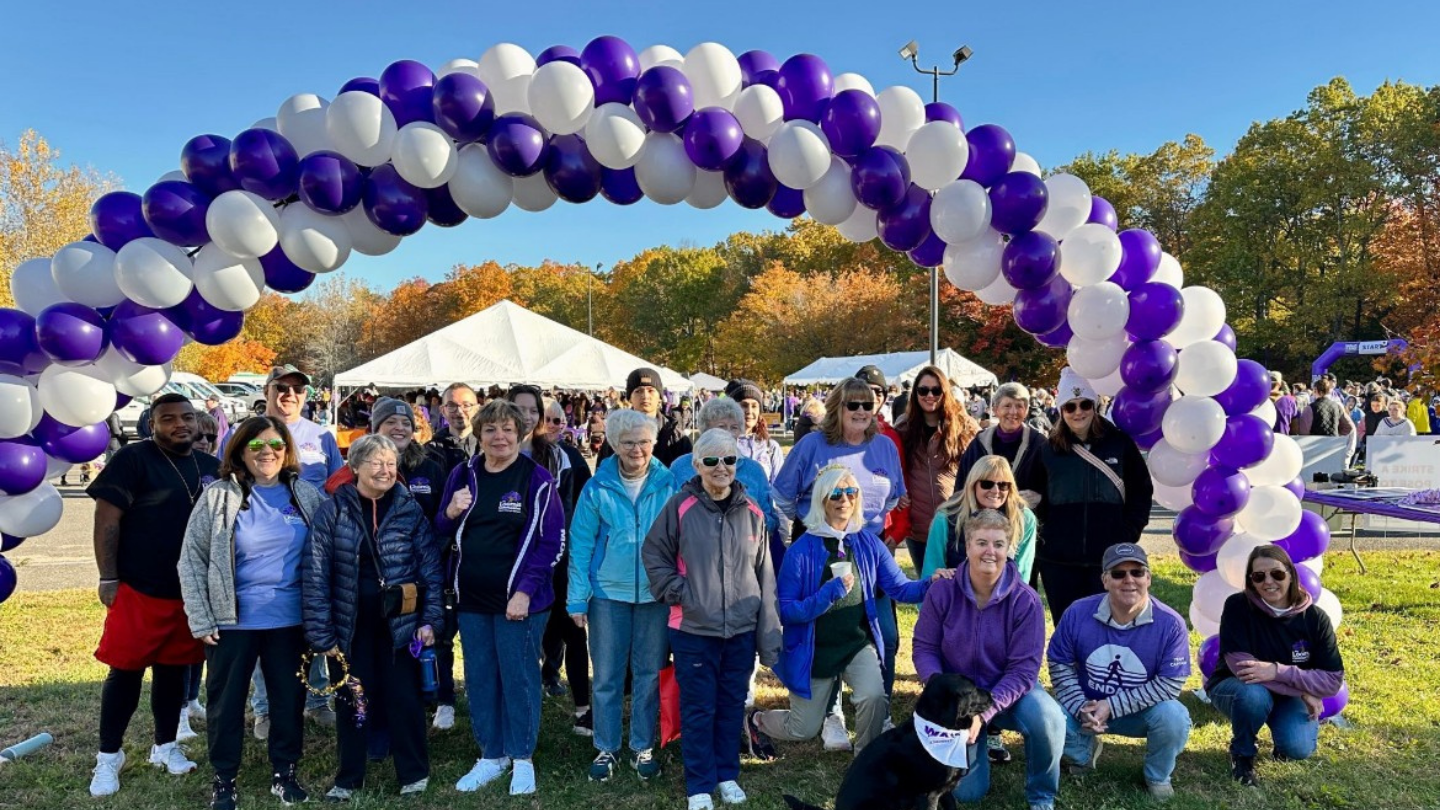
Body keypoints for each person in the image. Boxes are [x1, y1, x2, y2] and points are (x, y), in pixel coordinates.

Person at [179, 416, 324, 810]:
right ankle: (224, 779)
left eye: (276, 445)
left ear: (287, 450)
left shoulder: (306, 495)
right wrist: (201, 616)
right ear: (241, 450)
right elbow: (191, 559)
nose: (268, 453)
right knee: (226, 704)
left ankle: (285, 773)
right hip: (231, 622)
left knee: (288, 701)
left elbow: (328, 555)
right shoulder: (218, 497)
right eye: (257, 446)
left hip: (291, 621)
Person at [748, 464, 936, 757]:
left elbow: (901, 588)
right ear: (822, 499)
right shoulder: (801, 550)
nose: (845, 500)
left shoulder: (867, 543)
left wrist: (931, 583)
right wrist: (827, 595)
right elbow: (786, 611)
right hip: (814, 651)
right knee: (803, 729)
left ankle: (866, 757)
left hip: (855, 643)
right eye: (836, 493)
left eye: (851, 492)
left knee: (874, 696)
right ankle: (755, 720)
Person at [86, 393, 220, 797]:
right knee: (125, 673)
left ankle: (165, 746)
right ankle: (109, 757)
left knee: (173, 672)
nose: (180, 424)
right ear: (151, 424)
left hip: (189, 593)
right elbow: (106, 519)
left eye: (186, 417)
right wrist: (108, 577)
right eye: (168, 419)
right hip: (138, 587)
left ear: (198, 423)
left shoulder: (212, 467)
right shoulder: (132, 460)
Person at [643, 428, 781, 810]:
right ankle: (700, 783)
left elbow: (765, 577)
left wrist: (768, 636)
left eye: (730, 460)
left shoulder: (753, 512)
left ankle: (727, 774)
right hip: (693, 629)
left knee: (731, 703)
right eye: (711, 460)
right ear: (697, 465)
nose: (721, 468)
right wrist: (681, 593)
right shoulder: (679, 506)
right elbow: (654, 555)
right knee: (699, 706)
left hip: (740, 630)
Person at [304, 434, 444, 801]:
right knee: (353, 700)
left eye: (391, 464)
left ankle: (413, 772)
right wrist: (322, 634)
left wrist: (430, 619)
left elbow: (430, 567)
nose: (385, 470)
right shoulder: (333, 509)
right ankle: (349, 777)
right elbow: (316, 573)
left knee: (405, 698)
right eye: (376, 462)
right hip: (350, 626)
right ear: (355, 468)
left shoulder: (409, 508)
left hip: (401, 624)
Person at [437, 400, 564, 796]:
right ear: (479, 434)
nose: (500, 437)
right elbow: (439, 527)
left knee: (518, 676)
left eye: (508, 429)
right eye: (490, 429)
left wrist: (525, 591)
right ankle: (491, 754)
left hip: (519, 602)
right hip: (472, 597)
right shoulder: (464, 474)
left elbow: (552, 543)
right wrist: (452, 512)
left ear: (520, 433)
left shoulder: (537, 479)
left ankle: (522, 757)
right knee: (479, 676)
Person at [773, 377, 905, 747]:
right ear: (838, 409)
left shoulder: (884, 447)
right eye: (853, 405)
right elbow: (782, 495)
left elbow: (893, 497)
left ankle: (878, 714)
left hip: (866, 546)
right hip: (816, 544)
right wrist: (808, 527)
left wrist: (864, 526)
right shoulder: (813, 445)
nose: (862, 411)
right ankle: (830, 713)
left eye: (868, 404)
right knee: (822, 628)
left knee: (887, 638)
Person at [912, 510, 1064, 810]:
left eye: (998, 544)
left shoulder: (1026, 601)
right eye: (981, 542)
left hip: (1011, 693)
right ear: (967, 546)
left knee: (1049, 717)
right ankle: (975, 751)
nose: (989, 551)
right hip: (959, 698)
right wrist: (941, 690)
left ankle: (1042, 794)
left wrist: (983, 714)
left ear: (1009, 549)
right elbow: (924, 647)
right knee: (966, 794)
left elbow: (1023, 671)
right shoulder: (943, 590)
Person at [568, 408, 679, 783]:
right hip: (606, 595)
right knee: (608, 676)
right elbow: (581, 545)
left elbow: (682, 542)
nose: (637, 449)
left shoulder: (670, 486)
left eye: (644, 442)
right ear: (614, 444)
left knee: (649, 673)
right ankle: (606, 746)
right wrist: (577, 598)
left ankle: (642, 745)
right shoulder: (596, 488)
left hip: (656, 596)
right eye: (629, 442)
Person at [1046, 543, 1192, 801]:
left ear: (1148, 578)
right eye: (1118, 574)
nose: (1129, 580)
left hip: (1141, 712)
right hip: (1086, 709)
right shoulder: (1077, 612)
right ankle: (1083, 752)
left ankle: (1157, 776)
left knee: (1175, 716)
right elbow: (1059, 664)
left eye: (1137, 572)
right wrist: (1082, 707)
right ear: (1104, 580)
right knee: (1047, 714)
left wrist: (1111, 706)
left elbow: (1170, 684)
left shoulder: (1171, 624)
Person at [240, 365, 342, 732]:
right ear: (267, 390)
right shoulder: (247, 433)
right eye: (281, 387)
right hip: (259, 547)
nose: (289, 394)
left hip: (310, 548)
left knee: (310, 623)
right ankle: (265, 707)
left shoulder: (321, 436)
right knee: (262, 627)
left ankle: (317, 699)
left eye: (298, 389)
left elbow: (338, 485)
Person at [1207, 545, 1344, 788]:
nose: (1268, 582)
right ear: (1251, 580)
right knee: (1254, 696)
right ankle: (1243, 754)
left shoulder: (1315, 619)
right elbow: (1243, 669)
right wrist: (1302, 689)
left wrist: (1276, 671)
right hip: (1238, 687)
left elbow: (1332, 680)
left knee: (1298, 749)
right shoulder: (1238, 606)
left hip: (1284, 694)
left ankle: (1282, 740)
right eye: (1259, 576)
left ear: (1291, 574)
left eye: (1277, 574)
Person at [1032, 368, 1153, 624]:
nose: (1078, 412)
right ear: (1061, 410)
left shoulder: (1120, 444)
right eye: (1070, 406)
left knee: (1107, 629)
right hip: (1059, 561)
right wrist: (1048, 533)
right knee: (1068, 628)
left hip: (1108, 560)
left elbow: (1141, 490)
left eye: (1085, 404)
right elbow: (1033, 496)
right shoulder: (1048, 450)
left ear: (1095, 405)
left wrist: (1128, 531)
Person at [509, 386, 594, 733]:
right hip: (512, 559)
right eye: (520, 409)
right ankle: (521, 705)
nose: (527, 417)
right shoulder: (496, 453)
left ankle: (583, 707)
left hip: (558, 555)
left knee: (571, 630)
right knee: (520, 633)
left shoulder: (562, 457)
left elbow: (581, 505)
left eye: (533, 411)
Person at [423, 382, 480, 721]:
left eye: (468, 405)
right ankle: (445, 698)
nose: (461, 412)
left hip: (480, 553)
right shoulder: (429, 451)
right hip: (443, 550)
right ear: (442, 410)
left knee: (476, 630)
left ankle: (477, 687)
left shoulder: (489, 445)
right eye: (453, 406)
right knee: (442, 629)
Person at [894, 365, 978, 569]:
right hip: (919, 529)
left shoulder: (964, 427)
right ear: (915, 394)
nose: (929, 395)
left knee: (959, 590)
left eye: (936, 390)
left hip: (957, 524)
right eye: (923, 390)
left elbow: (979, 471)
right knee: (927, 592)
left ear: (945, 393)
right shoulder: (904, 428)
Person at [956, 382, 1047, 508]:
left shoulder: (1039, 445)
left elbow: (1052, 489)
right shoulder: (978, 445)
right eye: (1007, 405)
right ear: (995, 409)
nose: (1013, 412)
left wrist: (1039, 498)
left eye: (1019, 406)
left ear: (1026, 411)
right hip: (982, 522)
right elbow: (962, 487)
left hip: (1025, 522)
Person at [597, 367, 694, 466]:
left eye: (651, 390)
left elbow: (688, 475)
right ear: (630, 398)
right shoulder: (617, 433)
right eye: (638, 391)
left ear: (660, 397)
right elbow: (603, 473)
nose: (645, 396)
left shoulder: (676, 437)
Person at [728, 379, 785, 483]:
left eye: (754, 406)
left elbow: (778, 489)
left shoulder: (770, 448)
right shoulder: (720, 445)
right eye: (744, 405)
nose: (749, 411)